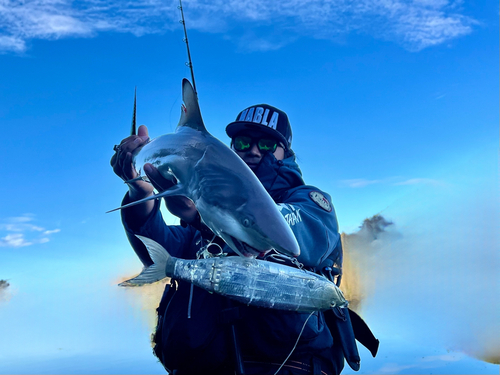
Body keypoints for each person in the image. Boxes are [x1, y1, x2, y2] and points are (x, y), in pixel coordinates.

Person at [111, 104, 358, 374]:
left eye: (266, 143)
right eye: (242, 142)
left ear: (286, 152)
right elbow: (158, 253)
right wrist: (140, 193)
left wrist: (203, 214)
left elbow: (296, 237)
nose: (252, 150)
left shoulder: (311, 203)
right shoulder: (200, 207)